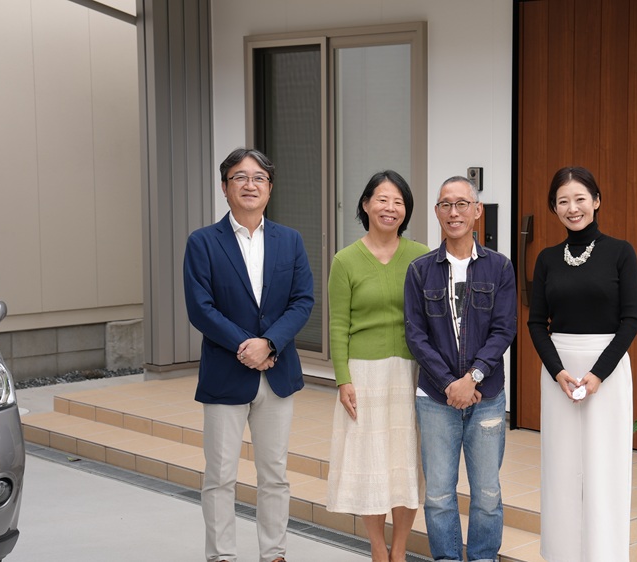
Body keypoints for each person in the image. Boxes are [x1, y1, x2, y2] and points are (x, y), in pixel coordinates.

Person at [183, 148, 314, 562]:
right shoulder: (203, 242)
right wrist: (248, 346)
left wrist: (269, 343)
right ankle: (222, 556)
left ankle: (274, 553)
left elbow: (302, 301)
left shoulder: (289, 240)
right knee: (220, 475)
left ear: (270, 189)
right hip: (226, 373)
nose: (250, 185)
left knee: (274, 474)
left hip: (277, 373)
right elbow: (200, 308)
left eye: (259, 178)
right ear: (225, 188)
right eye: (240, 177)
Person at [527, 166, 637, 562]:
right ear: (553, 208)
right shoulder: (546, 259)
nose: (572, 208)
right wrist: (558, 371)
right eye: (563, 201)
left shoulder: (621, 253)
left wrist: (597, 375)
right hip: (559, 371)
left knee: (604, 466)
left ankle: (604, 554)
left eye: (580, 199)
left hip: (606, 370)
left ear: (596, 201)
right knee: (560, 466)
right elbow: (536, 323)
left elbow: (631, 320)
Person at [404, 176, 517, 562]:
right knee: (438, 494)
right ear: (437, 212)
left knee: (486, 493)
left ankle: (484, 558)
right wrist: (450, 383)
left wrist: (473, 378)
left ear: (477, 210)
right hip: (436, 398)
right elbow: (416, 335)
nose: (454, 212)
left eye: (462, 204)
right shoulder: (420, 270)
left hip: (487, 396)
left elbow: (504, 329)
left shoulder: (500, 267)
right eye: (445, 205)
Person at [326, 170, 429, 562]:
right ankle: (377, 548)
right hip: (363, 374)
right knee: (371, 460)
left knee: (406, 461)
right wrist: (343, 379)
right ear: (366, 204)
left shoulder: (421, 256)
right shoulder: (345, 260)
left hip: (412, 372)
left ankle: (399, 550)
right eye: (382, 199)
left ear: (406, 210)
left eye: (398, 201)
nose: (390, 208)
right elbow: (338, 324)